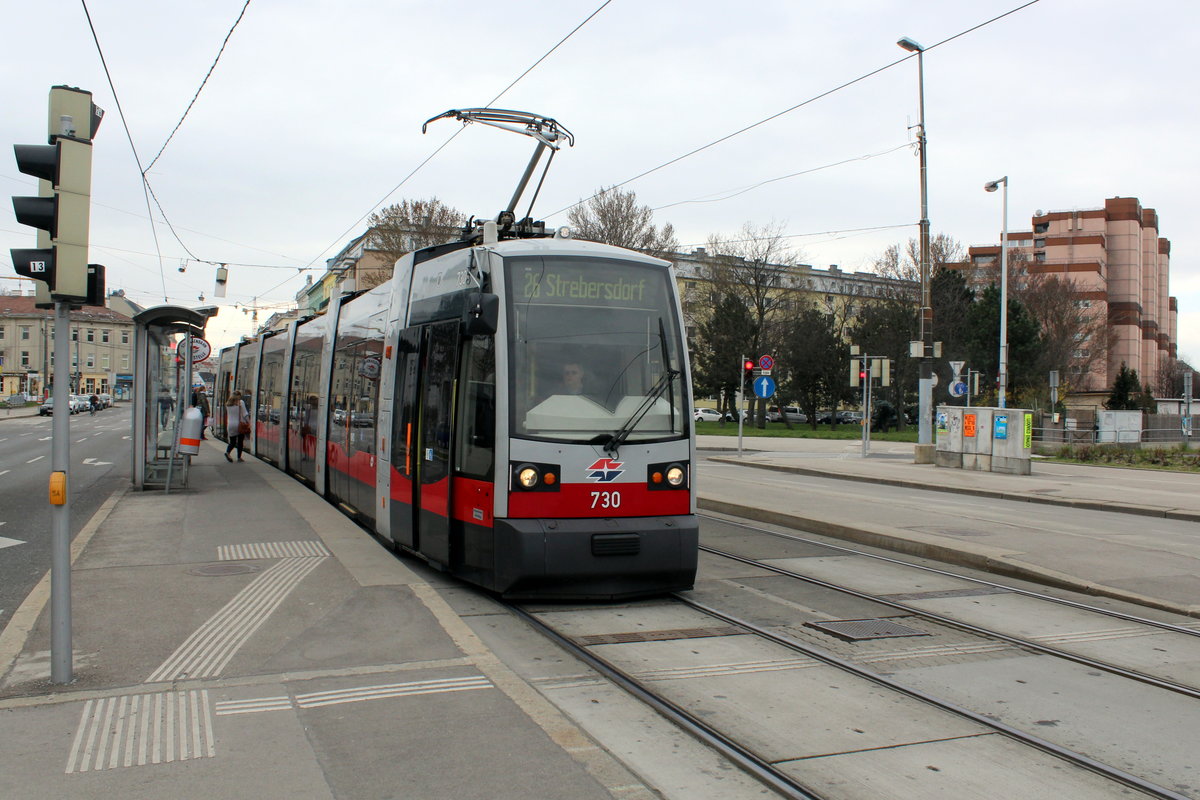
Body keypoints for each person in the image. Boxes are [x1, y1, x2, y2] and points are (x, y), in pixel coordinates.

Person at [224, 390, 250, 462]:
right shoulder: (240, 402)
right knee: (240, 442)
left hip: (230, 425)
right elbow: (245, 414)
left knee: (232, 442)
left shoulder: (228, 404)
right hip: (239, 425)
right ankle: (239, 457)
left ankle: (228, 452)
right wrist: (249, 422)